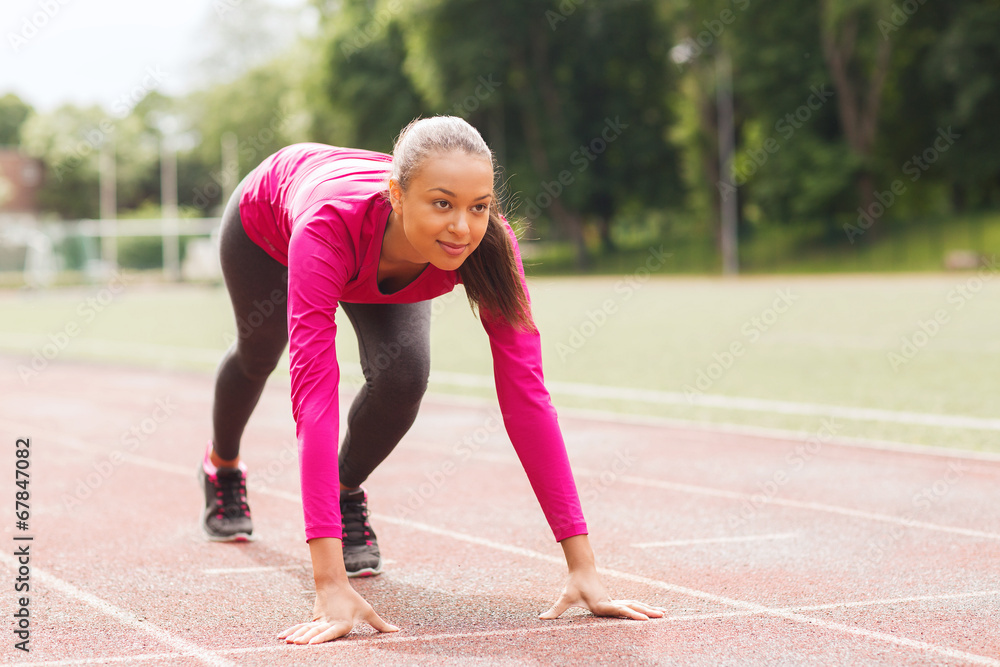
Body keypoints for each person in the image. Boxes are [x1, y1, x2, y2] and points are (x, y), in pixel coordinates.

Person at [200, 115, 665, 644]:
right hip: (270, 223)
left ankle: (345, 488)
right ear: (397, 195)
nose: (463, 227)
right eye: (442, 203)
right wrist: (327, 583)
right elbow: (315, 394)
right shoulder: (327, 224)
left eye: (479, 206)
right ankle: (222, 468)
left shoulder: (487, 244)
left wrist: (583, 568)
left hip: (386, 250)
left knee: (403, 377)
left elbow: (527, 396)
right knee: (260, 353)